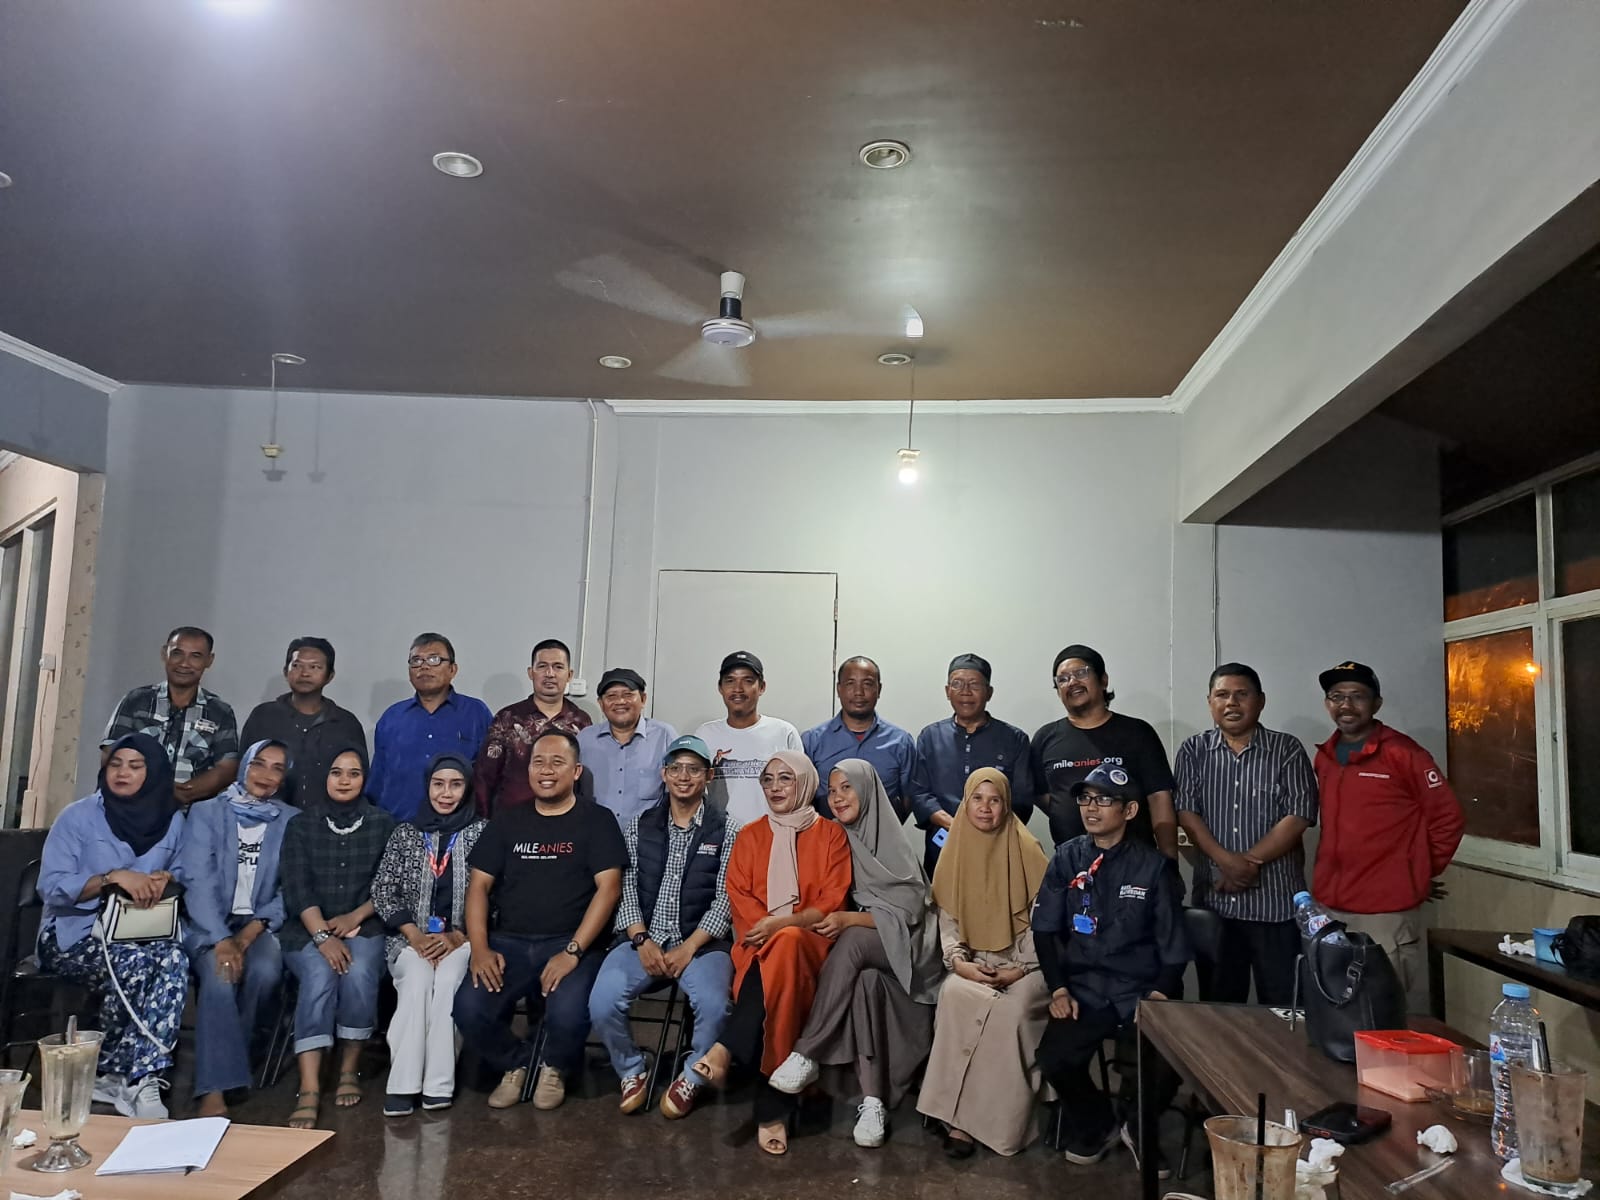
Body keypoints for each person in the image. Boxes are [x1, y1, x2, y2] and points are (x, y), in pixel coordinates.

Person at [768, 759, 942, 1147]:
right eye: (832, 790)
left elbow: (910, 911)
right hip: (870, 959)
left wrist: (850, 919)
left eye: (847, 788)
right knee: (864, 983)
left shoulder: (890, 838)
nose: (838, 797)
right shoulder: (836, 837)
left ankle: (807, 1053)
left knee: (852, 941)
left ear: (867, 791)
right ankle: (873, 1102)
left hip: (912, 954)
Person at [688, 751, 851, 1156]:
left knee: (790, 942)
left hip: (815, 943)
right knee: (782, 966)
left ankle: (728, 1047)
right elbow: (740, 898)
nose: (775, 787)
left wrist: (784, 924)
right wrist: (773, 930)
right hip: (758, 947)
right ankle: (772, 1108)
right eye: (767, 779)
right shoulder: (750, 835)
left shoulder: (831, 835)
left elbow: (832, 901)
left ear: (805, 783)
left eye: (785, 778)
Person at [455, 731, 626, 1111]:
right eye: (538, 762)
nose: (546, 770)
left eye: (557, 762)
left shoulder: (598, 820)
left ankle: (554, 1067)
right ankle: (515, 1063)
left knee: (568, 1013)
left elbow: (609, 888)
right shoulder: (507, 821)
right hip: (509, 942)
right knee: (469, 1008)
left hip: (572, 942)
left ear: (576, 771)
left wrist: (573, 951)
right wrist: (480, 949)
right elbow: (478, 886)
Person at [1033, 765, 1191, 1173]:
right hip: (1085, 988)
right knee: (1054, 1058)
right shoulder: (1067, 858)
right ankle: (1099, 1123)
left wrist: (1159, 994)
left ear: (1130, 810)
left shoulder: (1153, 867)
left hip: (1141, 989)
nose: (1091, 808)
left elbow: (1174, 947)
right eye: (1085, 799)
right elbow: (1045, 930)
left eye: (1104, 800)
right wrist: (1058, 988)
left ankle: (1139, 1128)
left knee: (1166, 1063)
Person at [37, 734, 187, 1119]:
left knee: (173, 959)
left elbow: (184, 870)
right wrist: (111, 878)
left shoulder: (171, 820)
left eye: (135, 766)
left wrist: (166, 877)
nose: (122, 773)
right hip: (72, 935)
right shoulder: (77, 816)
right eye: (116, 764)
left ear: (154, 773)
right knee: (136, 965)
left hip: (141, 931)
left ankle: (136, 1076)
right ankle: (123, 1074)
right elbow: (51, 887)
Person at [588, 735, 738, 1120]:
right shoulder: (639, 825)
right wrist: (640, 939)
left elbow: (725, 899)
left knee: (715, 1006)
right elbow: (625, 888)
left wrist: (690, 947)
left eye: (694, 769)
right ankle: (632, 1068)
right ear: (664, 774)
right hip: (644, 939)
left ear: (708, 776)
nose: (683, 777)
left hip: (702, 944)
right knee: (601, 1002)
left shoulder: (728, 829)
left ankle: (692, 1075)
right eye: (676, 768)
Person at [1312, 661, 1464, 1013]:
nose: (1346, 705)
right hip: (1331, 907)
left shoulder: (1404, 753)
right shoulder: (1326, 757)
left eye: (1357, 696)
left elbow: (1448, 818)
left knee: (1384, 1013)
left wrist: (1417, 871)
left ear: (1376, 704)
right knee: (1337, 1011)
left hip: (1385, 913)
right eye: (1336, 696)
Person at [916, 768, 1051, 1159]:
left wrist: (1019, 968)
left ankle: (1000, 1125)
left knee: (1013, 1011)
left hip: (1029, 965)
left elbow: (1044, 923)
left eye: (995, 800)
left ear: (1006, 805)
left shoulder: (1030, 850)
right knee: (956, 995)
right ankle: (956, 1120)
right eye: (977, 798)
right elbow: (948, 919)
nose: (985, 808)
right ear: (965, 802)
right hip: (973, 962)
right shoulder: (953, 849)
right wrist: (959, 963)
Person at [1174, 664, 1318, 1006]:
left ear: (1261, 701)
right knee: (1220, 1011)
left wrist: (1249, 861)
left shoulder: (1287, 749)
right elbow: (1186, 813)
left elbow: (1299, 814)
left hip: (1277, 906)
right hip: (1216, 906)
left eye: (1242, 694)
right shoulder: (1193, 751)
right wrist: (1226, 862)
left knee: (1285, 1009)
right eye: (1222, 695)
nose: (1232, 703)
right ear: (1210, 702)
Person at [176, 740, 295, 1117]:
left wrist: (249, 933)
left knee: (265, 970)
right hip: (210, 923)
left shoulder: (291, 820)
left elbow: (291, 888)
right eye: (259, 764)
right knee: (221, 973)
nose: (266, 774)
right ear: (244, 766)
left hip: (260, 924)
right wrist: (222, 939)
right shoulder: (206, 812)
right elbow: (197, 881)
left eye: (277, 768)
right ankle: (214, 1090)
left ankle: (231, 1063)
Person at [280, 745, 395, 1128]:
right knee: (320, 973)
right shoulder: (301, 825)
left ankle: (348, 1068)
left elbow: (388, 885)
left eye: (353, 773)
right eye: (336, 772)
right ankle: (309, 1086)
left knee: (358, 971)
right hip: (306, 928)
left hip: (365, 923)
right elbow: (297, 888)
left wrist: (354, 916)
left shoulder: (383, 823)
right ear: (324, 777)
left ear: (365, 779)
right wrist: (323, 936)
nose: (344, 780)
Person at [371, 754, 486, 1117]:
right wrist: (414, 935)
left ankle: (438, 1084)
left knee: (449, 981)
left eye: (456, 785)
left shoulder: (483, 833)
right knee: (418, 980)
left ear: (468, 789)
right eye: (438, 784)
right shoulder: (405, 833)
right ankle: (403, 1084)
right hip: (409, 939)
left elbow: (497, 894)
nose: (446, 793)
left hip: (465, 940)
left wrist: (459, 936)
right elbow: (383, 890)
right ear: (427, 786)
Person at [1030, 644, 1179, 858]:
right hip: (1072, 864)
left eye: (1081, 673)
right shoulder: (1045, 738)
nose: (1072, 682)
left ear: (1103, 679)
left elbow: (1159, 798)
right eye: (1062, 679)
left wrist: (1169, 860)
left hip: (1134, 861)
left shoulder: (1138, 732)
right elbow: (1042, 795)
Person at [912, 654, 1035, 875]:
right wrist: (954, 825)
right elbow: (919, 794)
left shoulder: (1014, 739)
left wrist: (984, 827)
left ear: (989, 692)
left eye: (974, 685)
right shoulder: (930, 737)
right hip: (943, 846)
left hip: (996, 848)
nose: (965, 691)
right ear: (947, 691)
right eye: (957, 684)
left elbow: (1022, 800)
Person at [102, 626, 239, 806]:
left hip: (189, 814)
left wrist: (182, 793)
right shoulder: (136, 700)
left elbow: (227, 768)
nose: (184, 663)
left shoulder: (220, 712)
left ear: (209, 660)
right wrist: (156, 791)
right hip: (131, 808)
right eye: (177, 653)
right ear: (164, 654)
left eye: (195, 656)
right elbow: (110, 752)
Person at [369, 633, 492, 823]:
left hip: (460, 829)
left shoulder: (476, 713)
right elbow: (377, 780)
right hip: (398, 826)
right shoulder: (392, 717)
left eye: (434, 660)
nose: (424, 666)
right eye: (416, 661)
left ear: (453, 669)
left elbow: (489, 775)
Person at [240, 637, 368, 809]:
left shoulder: (346, 723)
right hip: (269, 815)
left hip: (326, 820)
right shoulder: (263, 716)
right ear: (285, 671)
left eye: (315, 667)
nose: (305, 673)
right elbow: (243, 770)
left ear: (330, 676)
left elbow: (359, 777)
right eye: (297, 665)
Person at [474, 638, 593, 817]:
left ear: (569, 675)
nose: (550, 674)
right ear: (531, 673)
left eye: (558, 667)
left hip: (565, 821)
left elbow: (583, 779)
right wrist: (483, 822)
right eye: (542, 666)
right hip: (512, 819)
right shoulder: (507, 718)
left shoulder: (581, 721)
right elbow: (485, 776)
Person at [802, 657, 920, 821]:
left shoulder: (901, 742)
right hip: (827, 833)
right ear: (838, 689)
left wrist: (885, 828)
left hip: (882, 835)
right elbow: (804, 797)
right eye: (850, 683)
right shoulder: (813, 741)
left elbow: (909, 797)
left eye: (867, 684)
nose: (859, 692)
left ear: (879, 689)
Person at [695, 651, 803, 826]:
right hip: (718, 835)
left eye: (748, 680)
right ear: (720, 688)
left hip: (772, 834)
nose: (738, 689)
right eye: (730, 681)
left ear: (762, 687)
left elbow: (801, 792)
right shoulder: (704, 734)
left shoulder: (784, 733)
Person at [576, 668, 678, 826]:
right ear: (601, 704)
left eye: (628, 694)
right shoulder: (585, 739)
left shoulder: (664, 735)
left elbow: (678, 792)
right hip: (595, 835)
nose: (620, 701)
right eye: (611, 696)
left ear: (643, 699)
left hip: (647, 837)